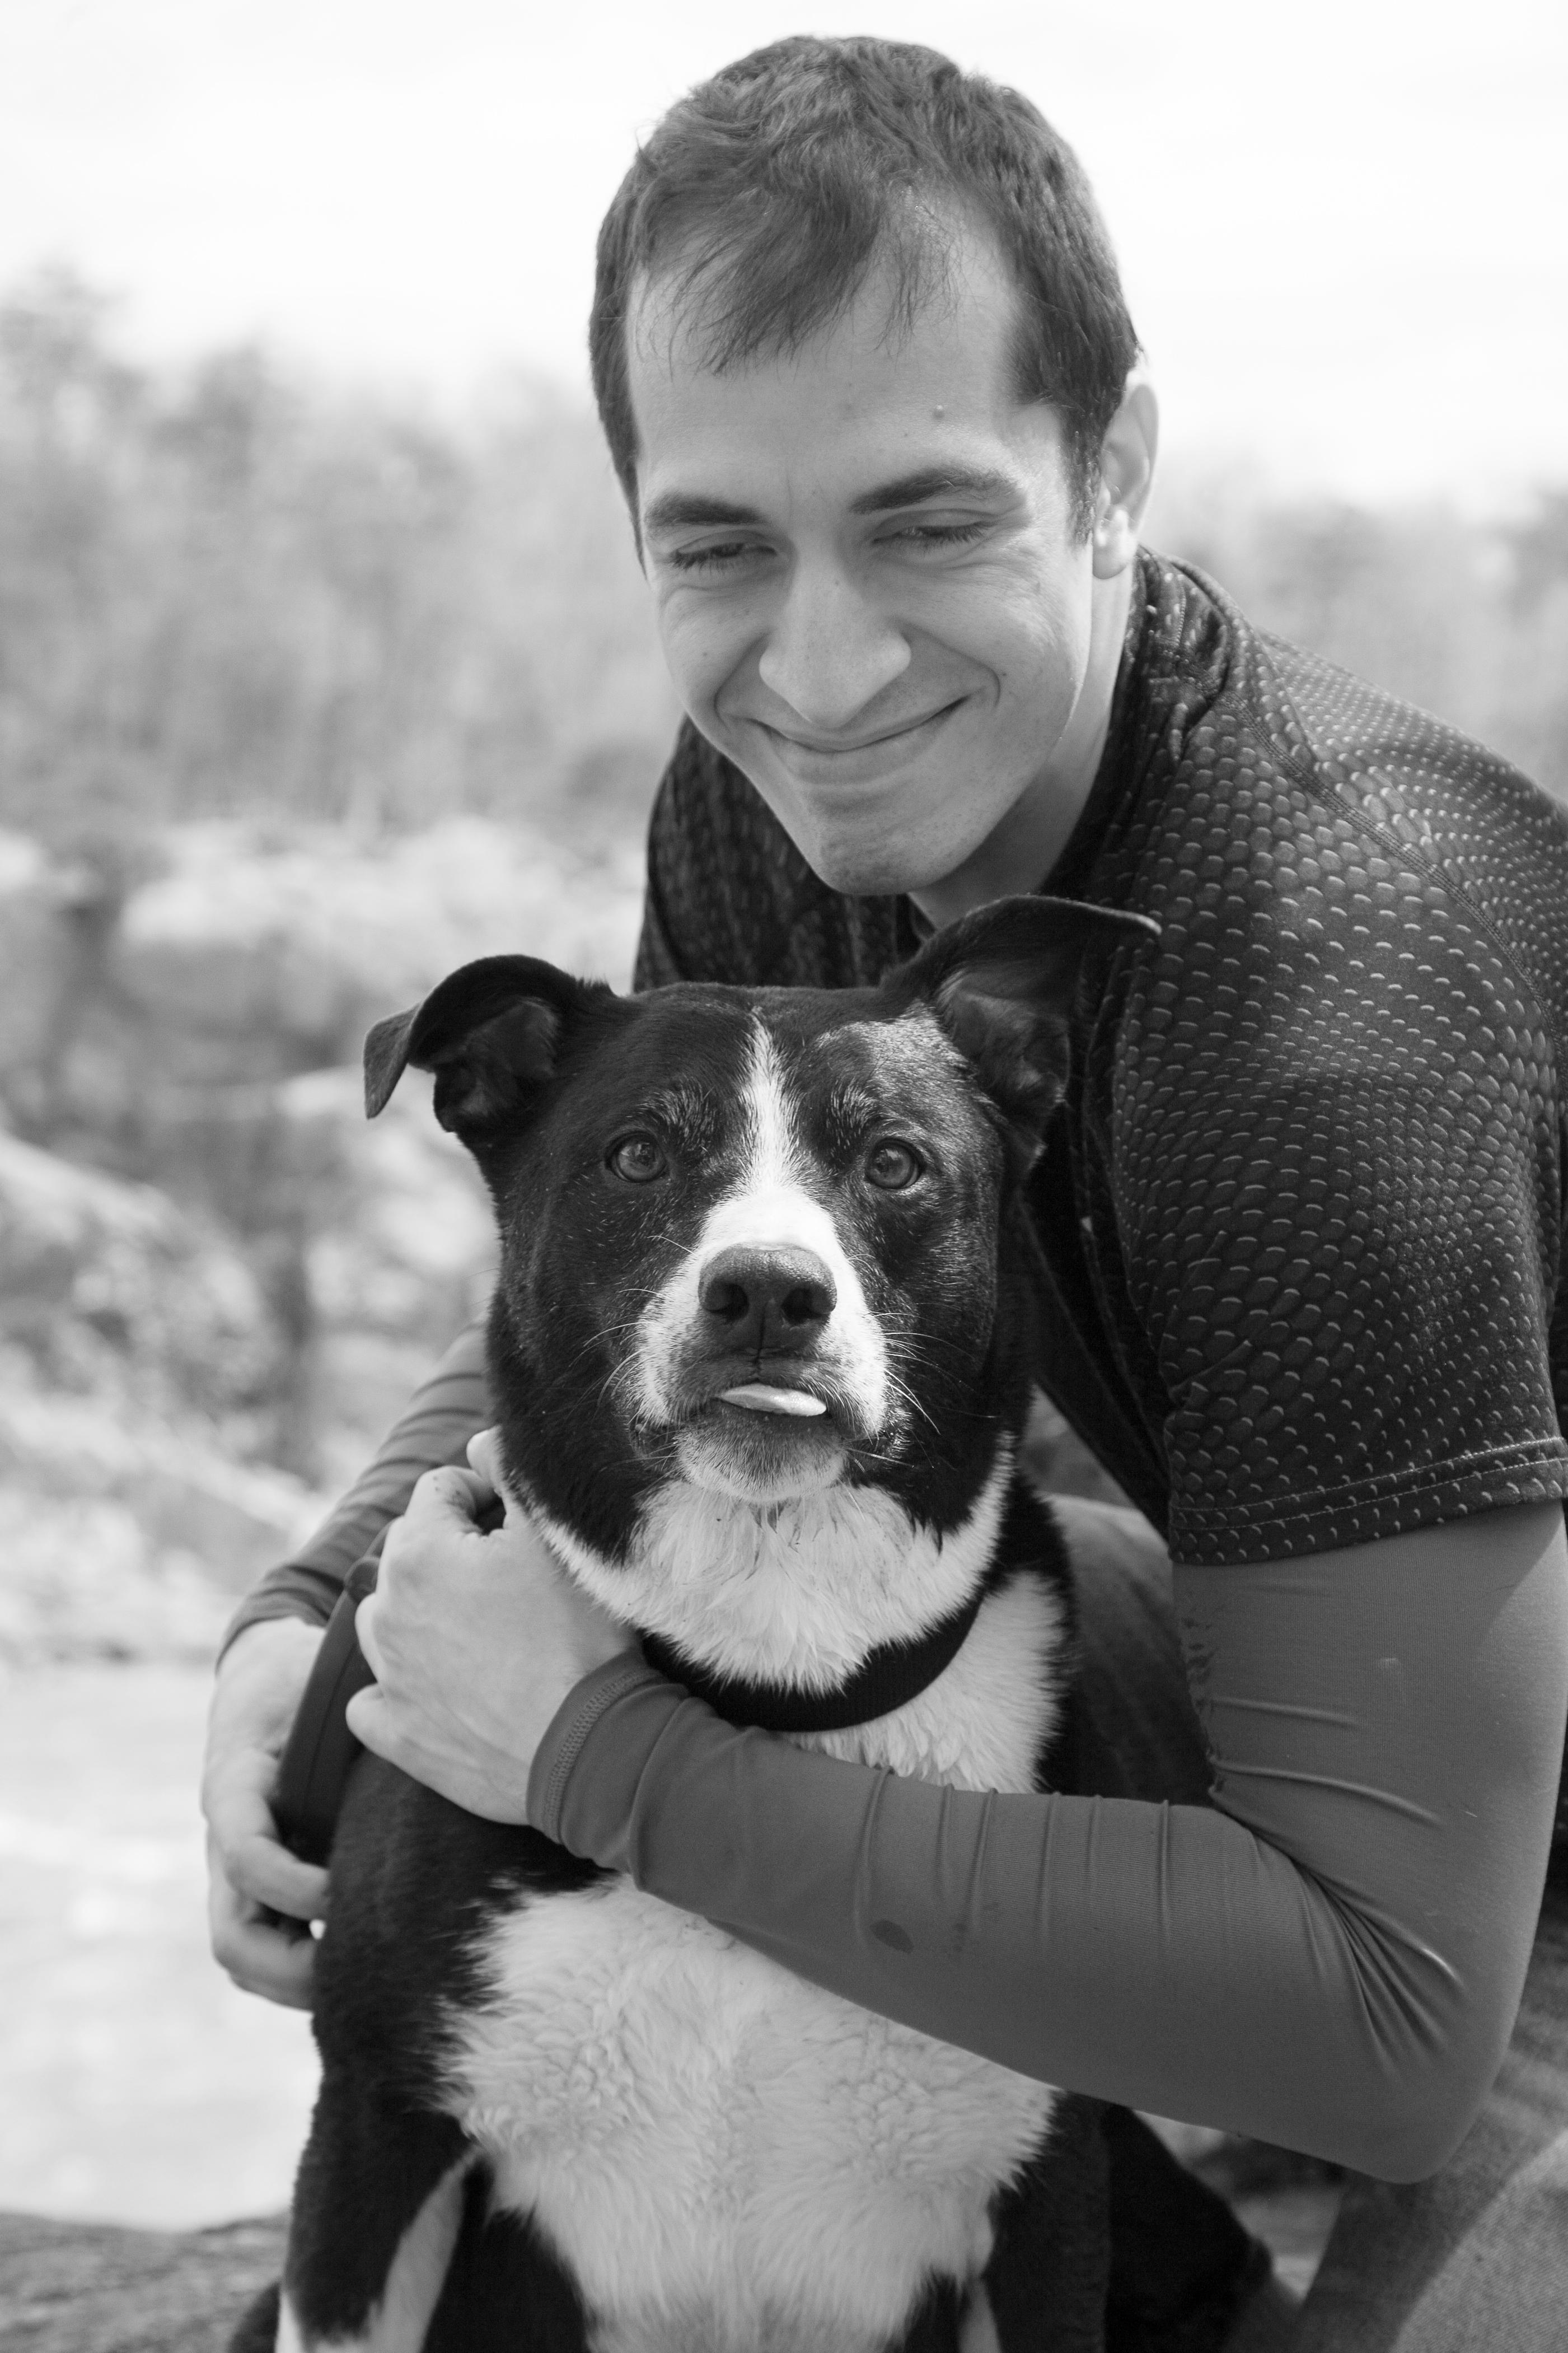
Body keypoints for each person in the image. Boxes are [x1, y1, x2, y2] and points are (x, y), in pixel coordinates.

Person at [202, 36, 1568, 2352]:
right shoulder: (782, 790)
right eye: (720, 547)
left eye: (927, 520)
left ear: (1109, 469)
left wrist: (591, 1756)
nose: (820, 667)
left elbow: (1390, 2020)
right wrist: (321, 1610)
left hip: (1482, 1878)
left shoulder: (1329, 1013)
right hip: (1305, 1638)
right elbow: (637, 1260)